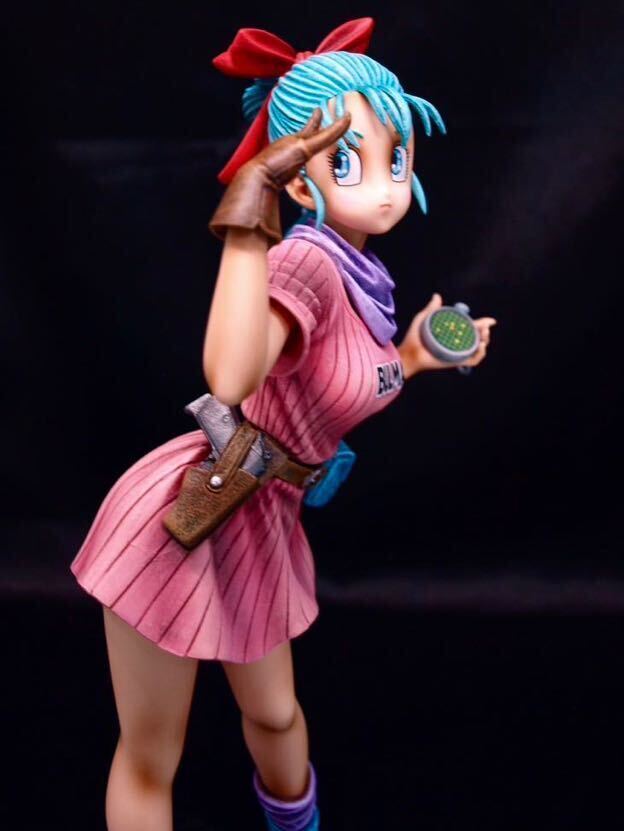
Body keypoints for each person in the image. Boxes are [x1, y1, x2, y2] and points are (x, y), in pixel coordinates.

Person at [69, 17, 496, 831]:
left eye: (396, 159)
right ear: (301, 183)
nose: (385, 186)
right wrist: (250, 203)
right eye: (349, 162)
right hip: (188, 517)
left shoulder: (362, 273)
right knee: (153, 753)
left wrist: (413, 355)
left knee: (274, 715)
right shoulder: (303, 260)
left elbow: (344, 382)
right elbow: (231, 378)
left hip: (262, 518)